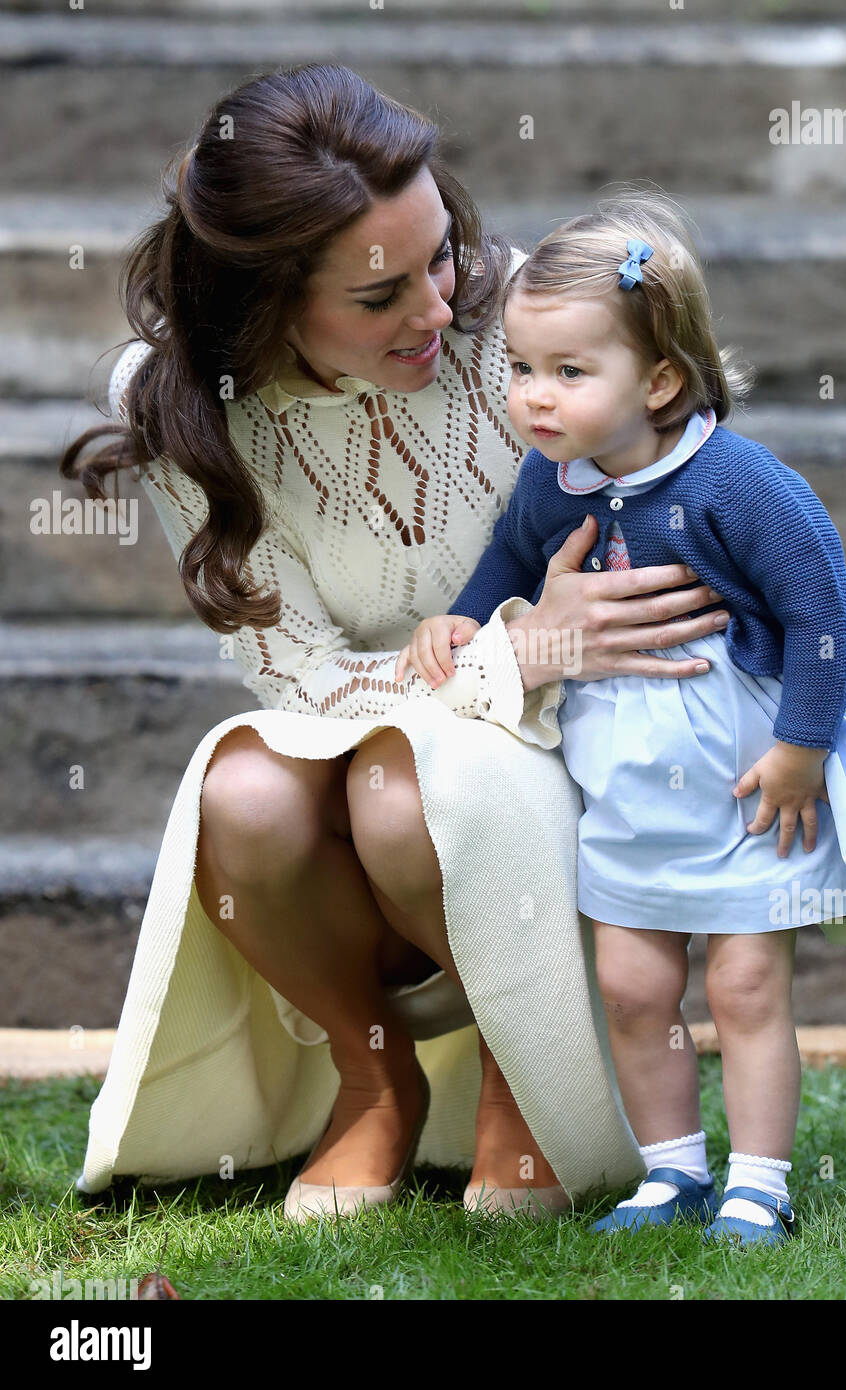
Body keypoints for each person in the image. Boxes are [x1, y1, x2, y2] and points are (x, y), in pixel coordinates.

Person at [59, 66, 738, 1223]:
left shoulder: (528, 321)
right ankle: (374, 1077)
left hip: (576, 738)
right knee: (247, 790)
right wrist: (507, 658)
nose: (435, 308)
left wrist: (541, 656)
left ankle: (533, 1079)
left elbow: (690, 525)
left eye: (439, 257)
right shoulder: (182, 401)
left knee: (397, 784)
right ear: (262, 302)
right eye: (379, 296)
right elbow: (300, 675)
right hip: (424, 714)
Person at [394, 190, 846, 1245]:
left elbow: (822, 612)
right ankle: (670, 1172)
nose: (535, 396)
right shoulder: (555, 478)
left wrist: (802, 749)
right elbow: (509, 555)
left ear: (660, 379)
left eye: (570, 372)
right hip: (623, 772)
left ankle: (759, 1178)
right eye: (524, 369)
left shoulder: (739, 485)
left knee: (748, 977)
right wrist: (466, 618)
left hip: (743, 769)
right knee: (632, 977)